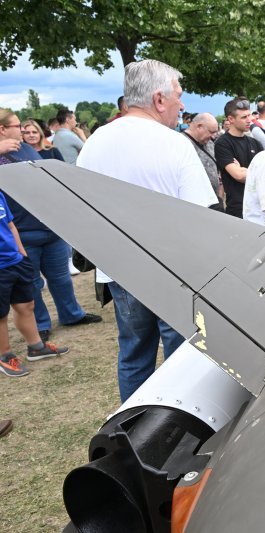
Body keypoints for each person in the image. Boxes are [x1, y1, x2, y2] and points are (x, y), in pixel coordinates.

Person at [76, 59, 218, 402]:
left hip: (120, 269)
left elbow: (82, 211)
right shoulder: (174, 144)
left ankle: (133, 428)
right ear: (158, 99)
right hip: (172, 269)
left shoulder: (95, 141)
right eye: (178, 96)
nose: (181, 105)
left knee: (133, 352)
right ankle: (174, 426)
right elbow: (203, 216)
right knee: (181, 356)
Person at [0, 110, 102, 343]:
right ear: (3, 129)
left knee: (61, 277)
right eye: (18, 126)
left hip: (48, 225)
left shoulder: (26, 149)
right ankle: (41, 325)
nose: (23, 130)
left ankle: (71, 314)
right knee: (33, 283)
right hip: (21, 230)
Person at [214, 98, 264, 218]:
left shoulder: (255, 143)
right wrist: (256, 173)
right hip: (238, 208)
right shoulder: (223, 143)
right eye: (244, 117)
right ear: (230, 119)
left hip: (260, 205)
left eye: (249, 115)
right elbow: (239, 176)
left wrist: (244, 170)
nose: (249, 120)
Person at [183, 113, 223, 208]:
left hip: (214, 200)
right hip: (195, 203)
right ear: (199, 126)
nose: (213, 136)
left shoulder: (209, 143)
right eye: (211, 132)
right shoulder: (182, 143)